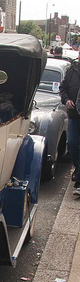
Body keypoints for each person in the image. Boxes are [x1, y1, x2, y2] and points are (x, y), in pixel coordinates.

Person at [60, 59, 80, 195]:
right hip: (74, 114)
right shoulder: (72, 70)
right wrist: (66, 100)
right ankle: (78, 170)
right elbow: (63, 88)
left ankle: (79, 181)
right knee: (71, 143)